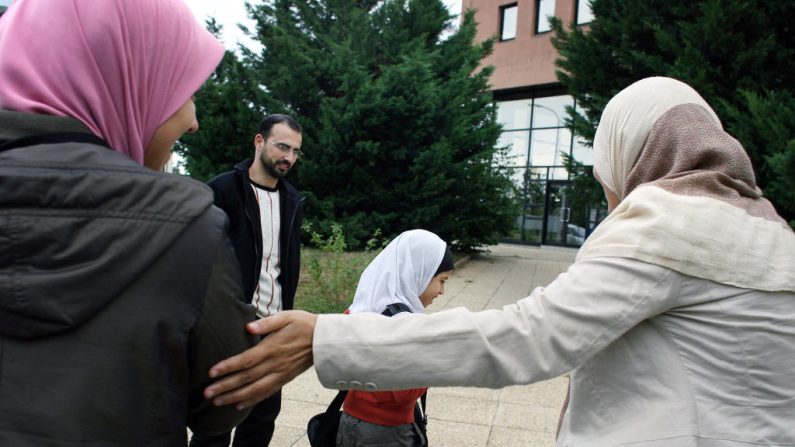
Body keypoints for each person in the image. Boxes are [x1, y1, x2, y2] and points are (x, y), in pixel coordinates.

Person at [203, 77, 795, 445]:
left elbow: (526, 336)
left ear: (632, 151)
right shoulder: (774, 233)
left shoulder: (670, 222)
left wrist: (326, 339)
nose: (613, 194)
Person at [0, 0, 258, 445]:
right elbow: (224, 403)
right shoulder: (187, 226)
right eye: (182, 88)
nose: (193, 120)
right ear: (121, 75)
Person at [189, 114, 305, 446]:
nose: (289, 157)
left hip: (275, 326)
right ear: (259, 142)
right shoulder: (222, 190)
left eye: (295, 151)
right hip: (229, 326)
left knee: (262, 419)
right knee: (217, 419)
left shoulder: (292, 200)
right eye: (282, 147)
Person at [337, 229, 454, 447]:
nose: (442, 291)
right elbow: (404, 392)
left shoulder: (361, 308)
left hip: (349, 422)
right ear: (418, 273)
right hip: (385, 432)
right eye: (441, 280)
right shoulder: (403, 324)